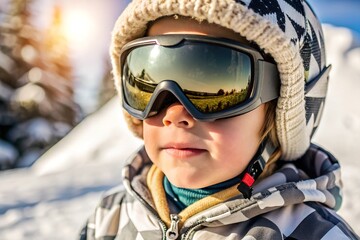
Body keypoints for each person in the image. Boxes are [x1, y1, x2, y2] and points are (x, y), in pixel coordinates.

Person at [80, 0, 359, 239]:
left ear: (282, 112)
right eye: (150, 86)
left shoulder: (313, 233)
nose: (174, 115)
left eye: (213, 87)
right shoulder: (110, 217)